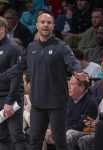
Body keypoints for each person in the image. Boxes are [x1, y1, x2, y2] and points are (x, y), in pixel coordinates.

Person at [0, 12, 88, 150]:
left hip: (57, 104)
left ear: (53, 26)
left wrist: (78, 71)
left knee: (60, 142)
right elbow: (19, 67)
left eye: (49, 22)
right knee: (34, 142)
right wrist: (3, 75)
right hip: (37, 104)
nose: (45, 25)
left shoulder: (62, 46)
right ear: (37, 25)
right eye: (42, 22)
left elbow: (73, 61)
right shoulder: (31, 47)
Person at [0, 16, 27, 150]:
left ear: (2, 29)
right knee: (1, 135)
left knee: (16, 135)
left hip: (11, 97)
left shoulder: (12, 48)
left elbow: (16, 76)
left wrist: (9, 101)